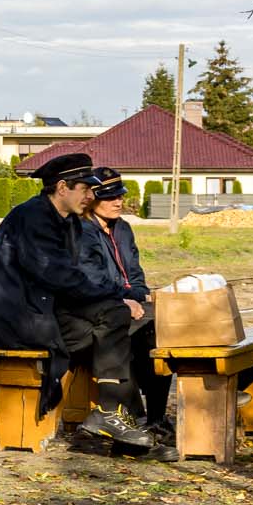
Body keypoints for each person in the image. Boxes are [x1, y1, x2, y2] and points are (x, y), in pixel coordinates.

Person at [0, 150, 157, 452]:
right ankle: (125, 424)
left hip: (43, 308)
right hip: (13, 318)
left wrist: (118, 302)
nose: (90, 195)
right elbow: (56, 275)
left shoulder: (67, 220)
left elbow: (70, 279)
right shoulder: (32, 217)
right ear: (62, 188)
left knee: (123, 323)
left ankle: (123, 420)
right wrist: (117, 298)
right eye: (85, 188)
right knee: (111, 328)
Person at [84, 167, 170, 429]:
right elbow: (96, 279)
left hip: (132, 304)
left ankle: (155, 417)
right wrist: (126, 300)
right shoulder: (82, 231)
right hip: (105, 309)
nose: (118, 202)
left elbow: (135, 273)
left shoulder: (123, 229)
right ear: (92, 199)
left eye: (119, 196)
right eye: (110, 198)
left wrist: (142, 296)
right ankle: (138, 418)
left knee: (163, 336)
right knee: (134, 341)